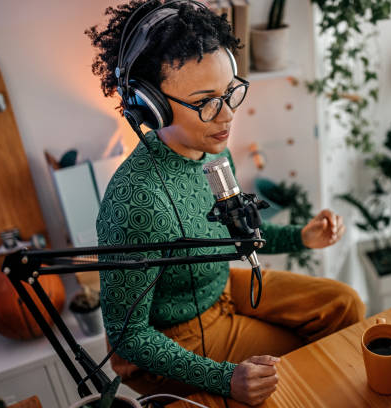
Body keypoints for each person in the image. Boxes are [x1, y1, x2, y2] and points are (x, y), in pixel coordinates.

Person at [87, 1, 365, 405]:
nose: (227, 116)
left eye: (229, 92)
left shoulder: (214, 152)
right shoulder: (137, 203)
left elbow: (240, 232)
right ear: (153, 106)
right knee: (290, 365)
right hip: (179, 332)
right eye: (205, 102)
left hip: (221, 288)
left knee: (345, 305)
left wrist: (301, 237)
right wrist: (226, 378)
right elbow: (128, 336)